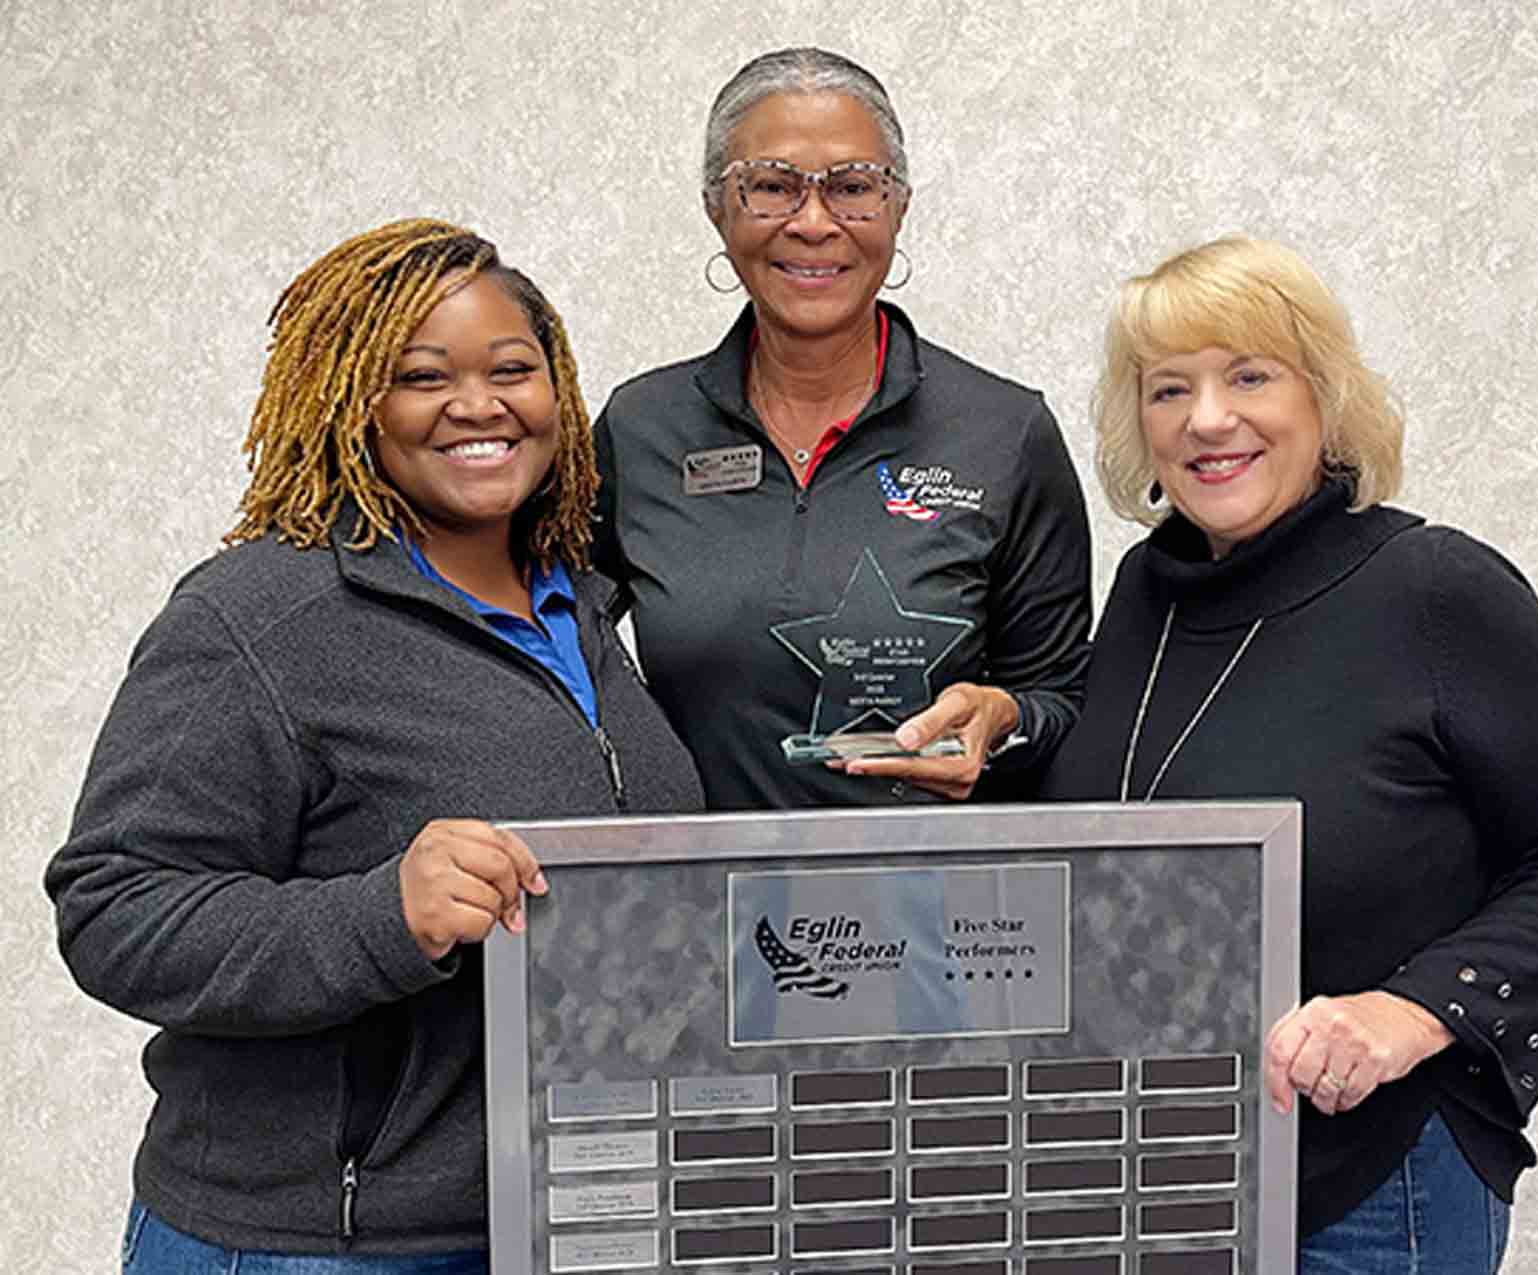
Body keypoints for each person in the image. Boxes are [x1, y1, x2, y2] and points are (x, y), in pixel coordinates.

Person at [45, 219, 703, 1271]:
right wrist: (382, 912)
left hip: (555, 1221)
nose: (478, 406)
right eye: (420, 375)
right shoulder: (260, 616)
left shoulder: (581, 607)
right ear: (351, 400)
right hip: (320, 1245)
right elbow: (114, 909)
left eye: (512, 370)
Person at [1041, 236, 1538, 1270]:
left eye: (1248, 376)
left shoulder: (1433, 589)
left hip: (1376, 1185)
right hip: (1171, 1176)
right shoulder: (1146, 596)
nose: (1206, 419)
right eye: (1167, 389)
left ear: (1321, 399)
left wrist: (1408, 1013)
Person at [591, 47, 1092, 808]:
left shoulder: (1007, 432)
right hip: (693, 910)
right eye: (771, 187)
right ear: (716, 208)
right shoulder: (638, 430)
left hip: (931, 913)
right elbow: (546, 656)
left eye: (854, 187)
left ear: (899, 207)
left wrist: (1007, 719)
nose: (814, 222)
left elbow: (1065, 700)